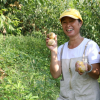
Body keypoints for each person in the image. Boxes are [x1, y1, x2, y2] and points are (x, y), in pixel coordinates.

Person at [46, 8, 100, 100]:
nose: (68, 25)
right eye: (64, 22)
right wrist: (53, 51)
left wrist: (88, 67)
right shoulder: (61, 49)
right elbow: (55, 75)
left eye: (71, 21)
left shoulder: (90, 46)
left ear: (80, 23)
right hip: (65, 97)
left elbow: (97, 74)